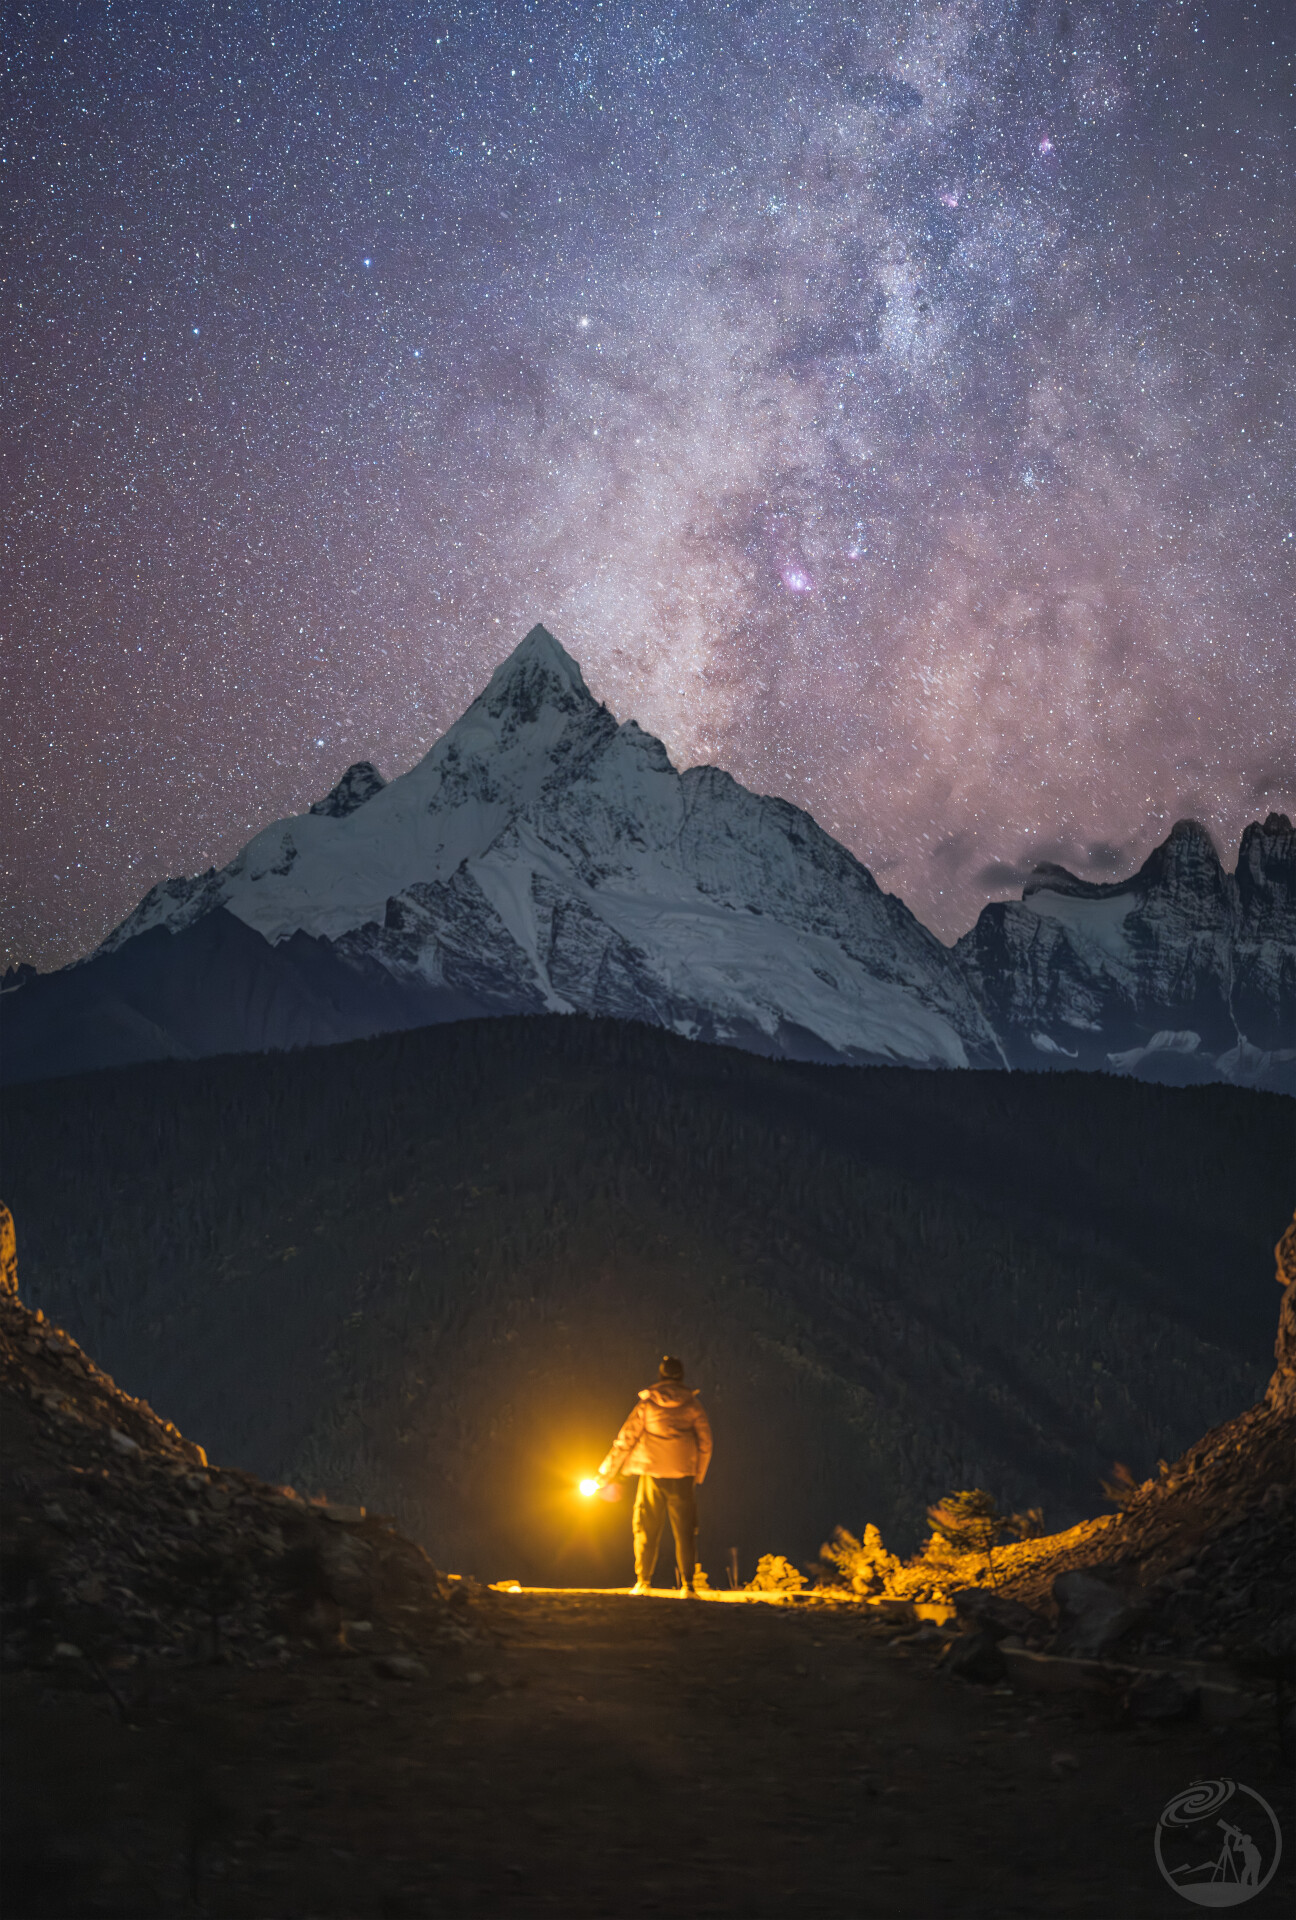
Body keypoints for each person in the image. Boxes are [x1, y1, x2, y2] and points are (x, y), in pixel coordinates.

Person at [593, 1356, 713, 1596]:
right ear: (681, 1376)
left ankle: (643, 1582)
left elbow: (625, 1440)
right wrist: (696, 1475)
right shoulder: (693, 1406)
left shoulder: (647, 1405)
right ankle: (688, 1586)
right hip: (683, 1475)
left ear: (661, 1375)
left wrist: (603, 1476)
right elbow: (706, 1443)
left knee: (646, 1527)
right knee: (686, 1531)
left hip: (651, 1473)